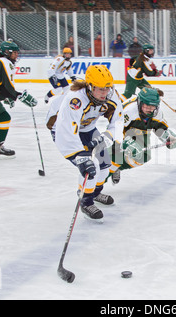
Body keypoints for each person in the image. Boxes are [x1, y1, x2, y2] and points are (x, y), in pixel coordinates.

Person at [54, 65, 124, 223]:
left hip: (88, 129)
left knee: (105, 164)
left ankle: (95, 192)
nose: (105, 93)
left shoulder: (111, 94)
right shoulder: (76, 99)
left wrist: (108, 136)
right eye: (100, 89)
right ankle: (86, 201)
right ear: (90, 86)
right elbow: (65, 129)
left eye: (107, 89)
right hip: (62, 130)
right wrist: (79, 155)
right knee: (90, 165)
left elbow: (118, 121)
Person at [108, 87, 176, 184]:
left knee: (143, 157)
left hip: (141, 130)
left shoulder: (156, 112)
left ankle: (117, 168)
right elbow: (115, 130)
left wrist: (168, 138)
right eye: (146, 106)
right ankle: (100, 178)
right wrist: (126, 143)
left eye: (152, 107)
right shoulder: (128, 111)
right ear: (140, 103)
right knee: (116, 155)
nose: (150, 110)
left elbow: (159, 128)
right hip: (124, 131)